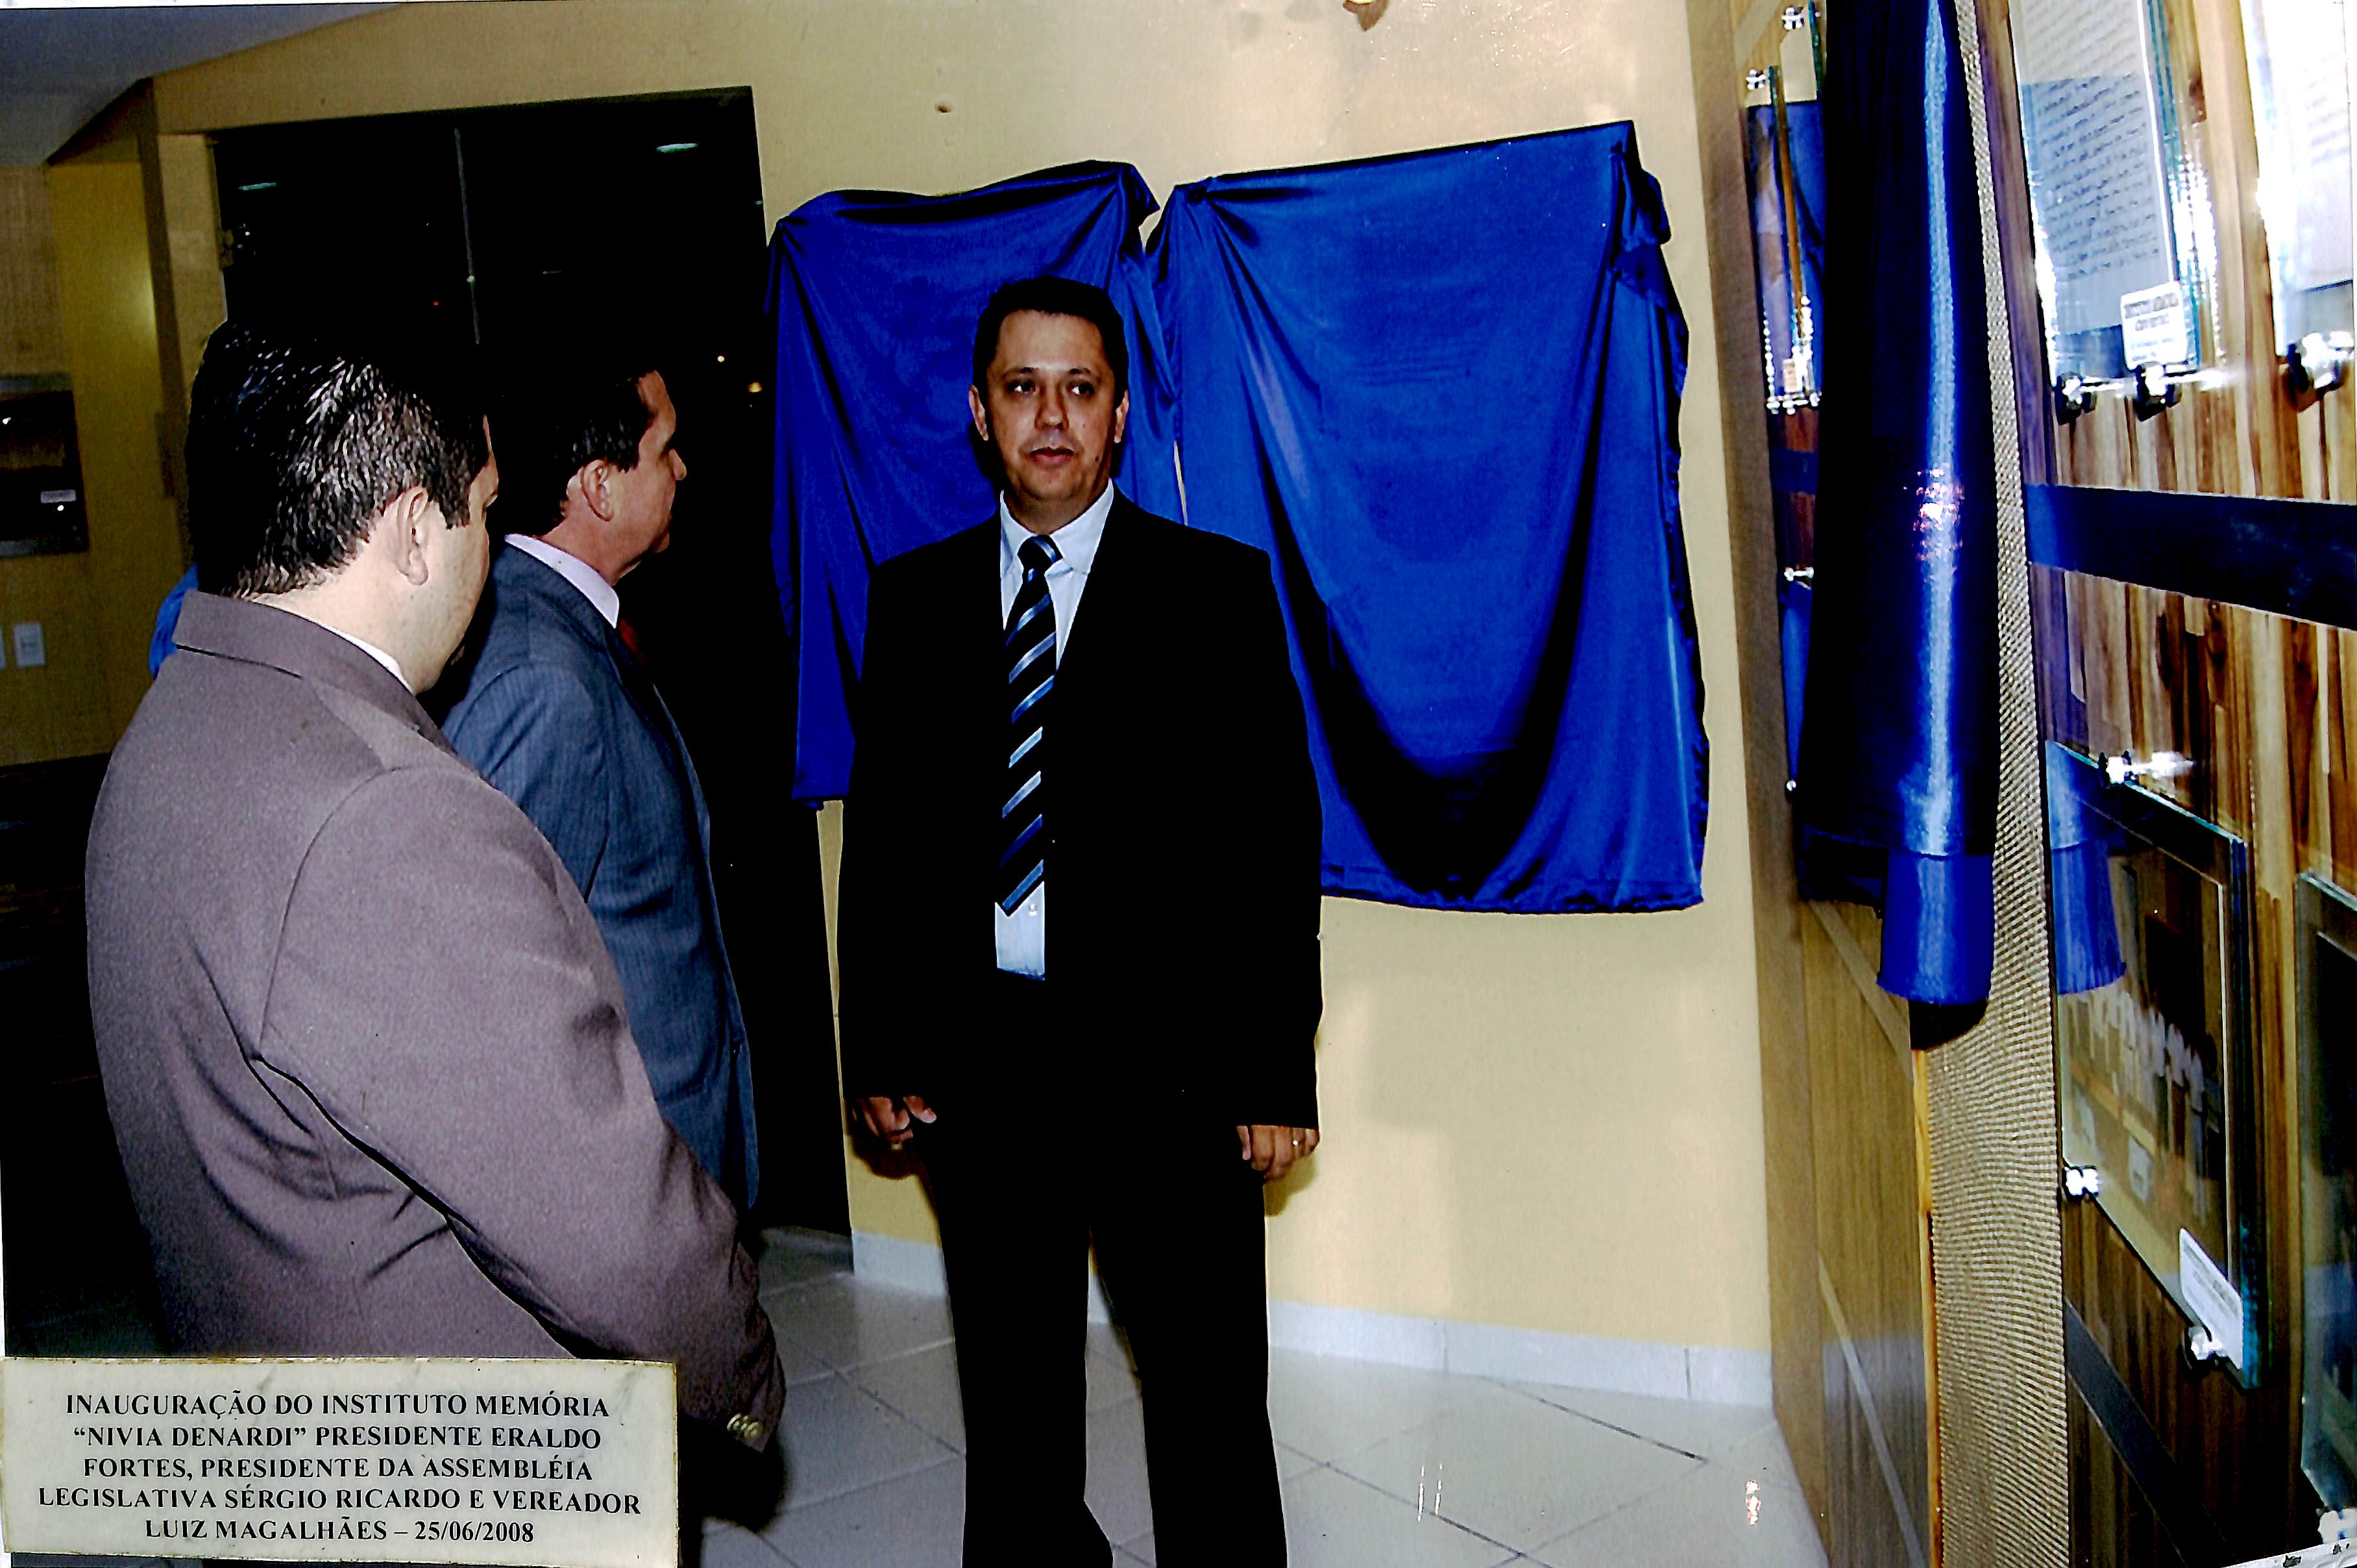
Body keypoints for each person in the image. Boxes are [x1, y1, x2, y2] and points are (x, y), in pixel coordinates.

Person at [86, 321, 782, 1453]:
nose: (488, 550)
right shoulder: (388, 808)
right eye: (481, 507)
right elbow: (602, 1228)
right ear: (417, 528)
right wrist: (738, 1380)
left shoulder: (171, 731)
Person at [837, 276, 1323, 1565]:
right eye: (1020, 387)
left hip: (1173, 1075)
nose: (1048, 415)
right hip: (981, 1072)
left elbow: (1273, 852)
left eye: (1078, 388)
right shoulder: (914, 600)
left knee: (1210, 1403)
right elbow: (882, 844)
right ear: (978, 415)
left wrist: (1271, 1069)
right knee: (1014, 1409)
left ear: (1116, 415)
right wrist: (879, 1044)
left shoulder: (1215, 593)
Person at [434, 358, 759, 1212]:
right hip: (626, 1180)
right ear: (602, 487)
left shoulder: (574, 631)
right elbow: (498, 987)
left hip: (669, 1151)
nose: (683, 469)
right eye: (665, 450)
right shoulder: (542, 676)